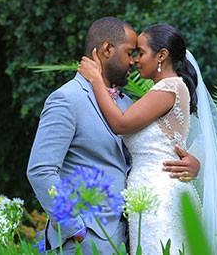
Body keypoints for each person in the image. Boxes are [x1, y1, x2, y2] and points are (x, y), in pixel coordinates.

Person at [27, 17, 201, 254]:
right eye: (130, 52)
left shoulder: (126, 103)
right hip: (85, 241)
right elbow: (41, 170)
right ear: (108, 49)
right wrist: (73, 228)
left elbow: (149, 150)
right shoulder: (67, 99)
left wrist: (191, 163)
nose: (133, 61)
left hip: (132, 236)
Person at [78, 23, 217, 254]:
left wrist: (96, 80)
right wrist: (194, 162)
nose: (134, 60)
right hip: (151, 197)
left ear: (161, 55)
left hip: (160, 200)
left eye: (141, 53)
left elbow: (120, 123)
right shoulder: (162, 91)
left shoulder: (170, 87)